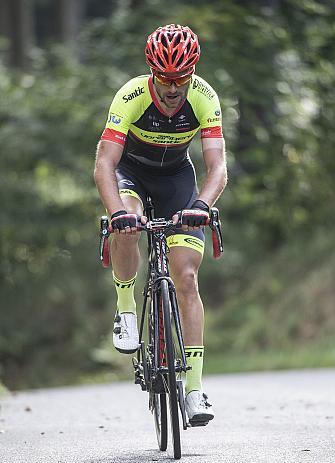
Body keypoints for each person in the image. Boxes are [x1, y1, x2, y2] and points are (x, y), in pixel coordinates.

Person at [94, 24, 227, 426]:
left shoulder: (204, 97)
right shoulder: (132, 95)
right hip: (131, 174)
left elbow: (217, 165)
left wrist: (202, 204)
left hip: (177, 181)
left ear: (192, 73)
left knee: (186, 276)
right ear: (152, 72)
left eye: (181, 79)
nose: (172, 89)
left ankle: (194, 390)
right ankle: (125, 307)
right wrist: (118, 212)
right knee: (128, 222)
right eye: (165, 80)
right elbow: (105, 164)